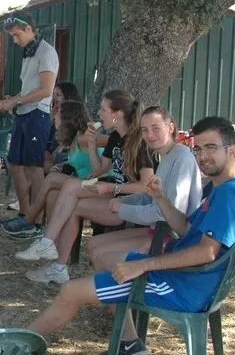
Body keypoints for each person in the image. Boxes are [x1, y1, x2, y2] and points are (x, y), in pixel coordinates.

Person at [25, 116, 235, 355]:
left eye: (211, 147)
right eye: (198, 148)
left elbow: (206, 252)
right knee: (107, 263)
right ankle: (129, 342)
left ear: (232, 150)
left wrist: (145, 265)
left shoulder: (231, 195)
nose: (202, 156)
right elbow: (188, 230)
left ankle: (16, 344)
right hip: (187, 280)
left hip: (183, 287)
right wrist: (160, 199)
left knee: (70, 291)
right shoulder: (224, 187)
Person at [15, 89, 157, 284]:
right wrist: (91, 145)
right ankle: (55, 260)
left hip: (129, 203)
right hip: (110, 192)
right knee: (61, 195)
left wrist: (111, 189)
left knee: (70, 191)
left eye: (103, 110)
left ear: (117, 115)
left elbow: (146, 187)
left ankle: (49, 247)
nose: (98, 114)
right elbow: (99, 170)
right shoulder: (116, 137)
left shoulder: (139, 142)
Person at [85, 107, 203, 273]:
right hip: (157, 228)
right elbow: (151, 197)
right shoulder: (165, 155)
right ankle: (113, 295)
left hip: (172, 237)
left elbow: (169, 214)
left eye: (156, 128)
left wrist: (123, 209)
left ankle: (119, 296)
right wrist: (123, 201)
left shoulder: (181, 158)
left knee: (100, 255)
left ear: (170, 128)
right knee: (92, 245)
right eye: (145, 130)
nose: (150, 135)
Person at [1, 100, 96, 240]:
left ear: (67, 119)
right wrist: (65, 164)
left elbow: (104, 142)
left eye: (57, 113)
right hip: (81, 182)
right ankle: (50, 238)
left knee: (51, 179)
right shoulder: (73, 139)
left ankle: (29, 220)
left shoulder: (83, 138)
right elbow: (81, 160)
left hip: (93, 183)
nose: (53, 116)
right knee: (51, 193)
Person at [0, 12, 59, 217]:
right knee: (15, 165)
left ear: (29, 29)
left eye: (17, 35)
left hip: (37, 115)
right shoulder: (29, 52)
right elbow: (29, 89)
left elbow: (45, 91)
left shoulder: (46, 52)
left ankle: (37, 219)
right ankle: (25, 214)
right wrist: (11, 100)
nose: (15, 40)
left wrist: (14, 101)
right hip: (23, 114)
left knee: (34, 167)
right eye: (12, 36)